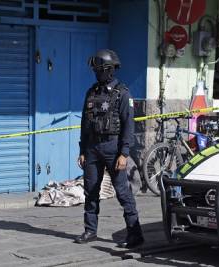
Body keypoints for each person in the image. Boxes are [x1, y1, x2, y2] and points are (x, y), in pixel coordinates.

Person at [75, 49, 144, 248]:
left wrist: (124, 153)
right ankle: (90, 230)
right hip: (92, 148)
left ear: (108, 70)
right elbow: (85, 124)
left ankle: (135, 234)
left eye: (99, 70)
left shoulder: (122, 93)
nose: (96, 73)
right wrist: (82, 150)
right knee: (91, 191)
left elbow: (128, 125)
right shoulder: (92, 92)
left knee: (123, 192)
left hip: (113, 149)